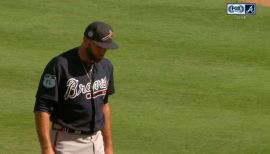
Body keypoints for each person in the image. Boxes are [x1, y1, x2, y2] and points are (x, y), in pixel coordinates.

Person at [34, 21, 118, 154]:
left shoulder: (106, 66)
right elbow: (42, 107)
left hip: (97, 141)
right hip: (67, 142)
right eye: (99, 46)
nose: (103, 51)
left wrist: (108, 145)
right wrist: (46, 148)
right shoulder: (59, 66)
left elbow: (104, 104)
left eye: (106, 47)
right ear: (86, 40)